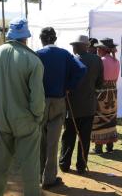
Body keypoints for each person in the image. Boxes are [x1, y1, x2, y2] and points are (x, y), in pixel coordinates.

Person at [0, 18, 45, 196]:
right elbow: (37, 98)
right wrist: (37, 116)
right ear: (26, 37)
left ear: (9, 35)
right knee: (30, 169)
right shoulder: (33, 60)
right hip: (26, 120)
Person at [37, 27, 86, 189]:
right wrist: (68, 86)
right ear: (55, 38)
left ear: (42, 39)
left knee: (40, 140)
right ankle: (49, 178)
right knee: (53, 142)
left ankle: (38, 175)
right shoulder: (64, 54)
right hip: (58, 100)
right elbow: (81, 69)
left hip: (40, 101)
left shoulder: (37, 54)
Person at [59, 35, 103, 174]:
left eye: (74, 45)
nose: (73, 47)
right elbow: (100, 83)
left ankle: (64, 164)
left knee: (69, 136)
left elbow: (65, 83)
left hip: (71, 106)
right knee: (84, 137)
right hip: (89, 105)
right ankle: (81, 165)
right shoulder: (96, 60)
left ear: (81, 46)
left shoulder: (71, 60)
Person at [91, 38, 120, 154]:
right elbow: (115, 79)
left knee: (99, 118)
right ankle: (110, 146)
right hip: (112, 93)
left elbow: (96, 78)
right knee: (110, 118)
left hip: (101, 93)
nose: (97, 50)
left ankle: (98, 148)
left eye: (98, 48)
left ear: (102, 49)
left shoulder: (100, 61)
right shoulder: (116, 61)